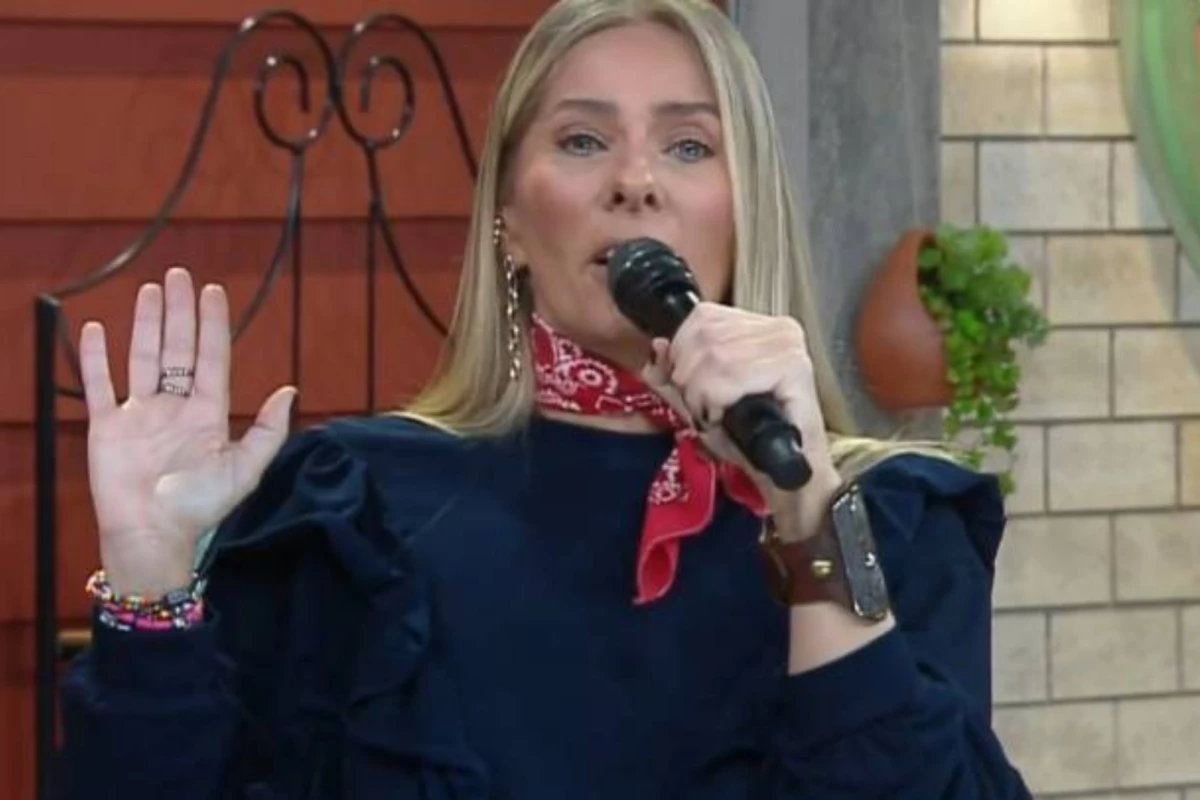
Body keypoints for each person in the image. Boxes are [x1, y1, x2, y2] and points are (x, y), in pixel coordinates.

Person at [58, 0, 1033, 797]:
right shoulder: (355, 506)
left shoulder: (891, 515)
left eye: (689, 146)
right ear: (510, 223)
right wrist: (150, 573)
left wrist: (808, 510)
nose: (635, 180)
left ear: (747, 208)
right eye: (583, 139)